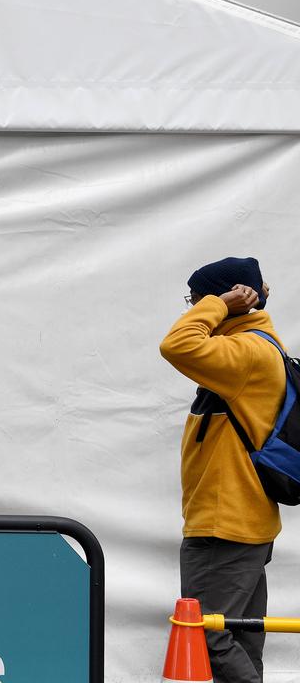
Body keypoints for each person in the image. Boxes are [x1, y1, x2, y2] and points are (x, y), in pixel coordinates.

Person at [160, 257, 282, 683]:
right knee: (239, 641)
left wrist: (216, 304)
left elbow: (176, 344)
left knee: (207, 637)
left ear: (229, 300)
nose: (192, 309)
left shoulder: (245, 352)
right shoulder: (256, 347)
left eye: (195, 300)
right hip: (240, 520)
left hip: (223, 526)